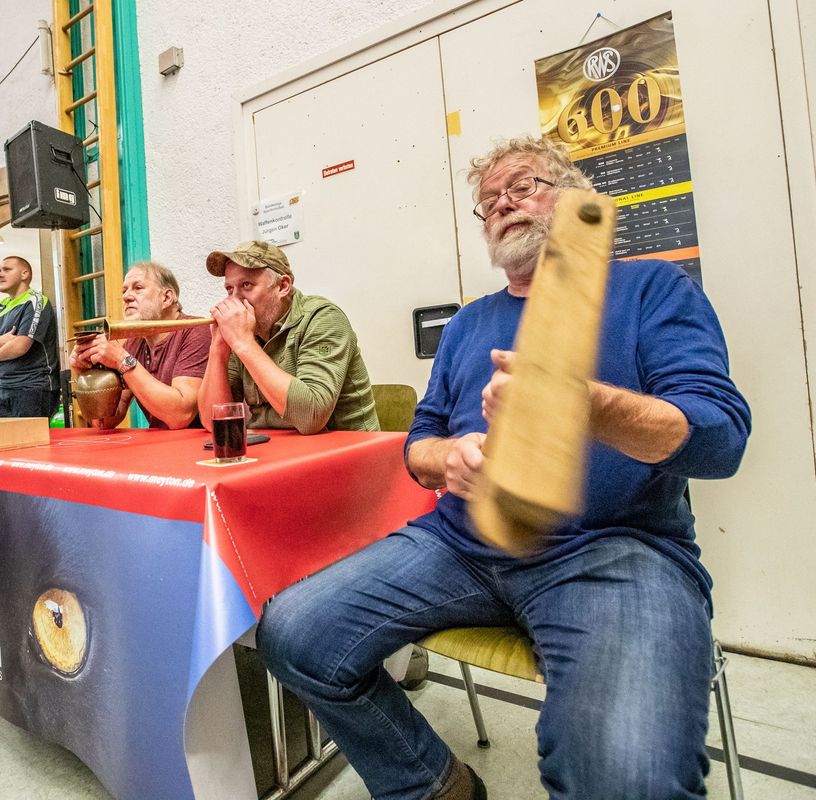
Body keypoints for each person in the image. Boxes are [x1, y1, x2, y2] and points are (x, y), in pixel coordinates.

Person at [256, 136, 751, 799]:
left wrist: (585, 405)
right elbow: (420, 443)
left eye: (523, 187)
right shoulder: (469, 324)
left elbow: (721, 440)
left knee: (625, 775)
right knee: (293, 635)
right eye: (489, 201)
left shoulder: (651, 289)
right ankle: (435, 787)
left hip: (613, 548)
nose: (502, 205)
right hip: (460, 544)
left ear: (574, 198)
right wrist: (450, 458)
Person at [198, 240, 378, 433]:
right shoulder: (246, 331)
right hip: (277, 447)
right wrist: (218, 349)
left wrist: (243, 343)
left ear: (282, 286)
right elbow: (212, 421)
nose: (234, 300)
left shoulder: (324, 318)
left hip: (346, 446)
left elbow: (311, 416)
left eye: (246, 285)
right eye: (229, 289)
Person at [68, 262, 210, 429]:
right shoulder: (134, 342)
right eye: (124, 291)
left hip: (200, 442)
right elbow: (105, 421)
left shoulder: (196, 330)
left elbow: (180, 416)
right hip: (163, 442)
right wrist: (86, 374)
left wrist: (122, 360)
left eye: (138, 288)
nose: (126, 297)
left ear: (166, 298)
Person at [0, 255, 59, 418]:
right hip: (0, 387)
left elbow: (20, 346)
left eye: (7, 269)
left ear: (24, 274)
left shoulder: (36, 301)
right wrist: (2, 340)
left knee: (29, 436)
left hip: (32, 387)